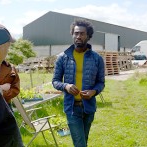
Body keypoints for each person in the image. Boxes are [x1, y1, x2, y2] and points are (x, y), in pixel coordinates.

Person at [52, 19, 105, 147]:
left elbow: (101, 82)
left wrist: (93, 91)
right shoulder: (63, 57)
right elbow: (55, 81)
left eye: (82, 33)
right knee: (80, 144)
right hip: (72, 108)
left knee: (83, 141)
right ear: (72, 34)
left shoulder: (97, 58)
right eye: (76, 33)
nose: (78, 36)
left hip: (89, 108)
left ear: (88, 36)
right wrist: (66, 86)